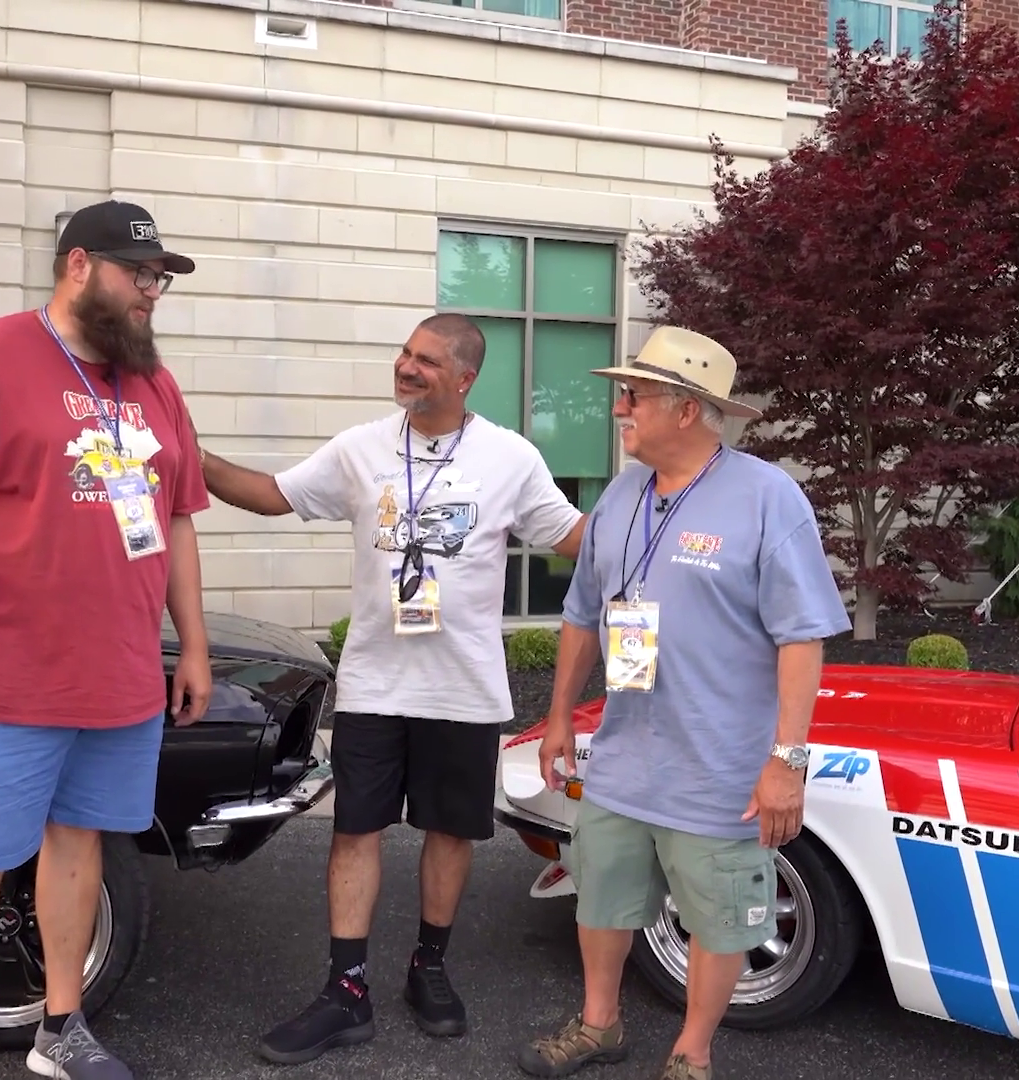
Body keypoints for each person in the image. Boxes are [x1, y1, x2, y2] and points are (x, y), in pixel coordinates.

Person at [0, 200, 214, 1080]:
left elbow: (176, 520)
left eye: (161, 278)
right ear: (77, 266)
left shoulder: (155, 386)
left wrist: (193, 646)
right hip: (8, 677)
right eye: (138, 273)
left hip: (122, 676)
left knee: (80, 845)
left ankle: (60, 1028)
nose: (152, 291)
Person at [199, 312, 587, 1065]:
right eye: (406, 353)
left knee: (450, 832)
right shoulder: (361, 448)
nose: (407, 367)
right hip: (375, 683)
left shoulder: (510, 457)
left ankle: (428, 968)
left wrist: (665, 518)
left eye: (427, 361)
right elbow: (272, 494)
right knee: (355, 831)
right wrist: (193, 456)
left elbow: (575, 536)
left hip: (464, 688)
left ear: (465, 378)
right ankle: (345, 991)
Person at [518, 327, 850, 1080]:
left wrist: (787, 760)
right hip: (624, 758)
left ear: (688, 409)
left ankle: (691, 1054)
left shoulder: (767, 497)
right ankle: (600, 1025)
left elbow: (802, 638)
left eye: (633, 396)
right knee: (601, 896)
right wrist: (562, 713)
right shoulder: (622, 493)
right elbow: (582, 613)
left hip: (720, 770)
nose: (620, 409)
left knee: (717, 918)